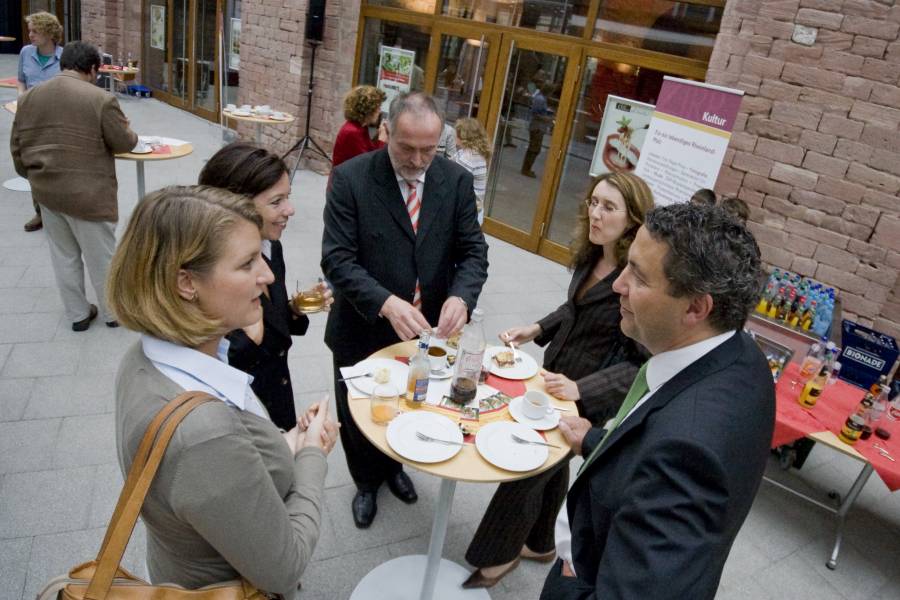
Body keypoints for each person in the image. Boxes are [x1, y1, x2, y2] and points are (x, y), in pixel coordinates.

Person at [108, 185, 339, 599]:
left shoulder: (142, 358)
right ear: (186, 282)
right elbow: (283, 569)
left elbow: (212, 479)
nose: (267, 275)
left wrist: (287, 440)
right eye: (248, 262)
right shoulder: (205, 435)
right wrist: (311, 455)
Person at [542, 203, 775, 599]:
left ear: (696, 308)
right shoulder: (738, 353)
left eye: (639, 277)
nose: (618, 284)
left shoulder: (687, 452)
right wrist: (596, 442)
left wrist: (567, 580)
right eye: (627, 264)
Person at [462, 172, 652, 589]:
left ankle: (497, 557)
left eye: (608, 207)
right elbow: (575, 310)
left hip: (588, 395)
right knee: (554, 461)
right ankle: (543, 541)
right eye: (593, 202)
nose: (595, 213)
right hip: (556, 377)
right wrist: (535, 328)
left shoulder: (634, 278)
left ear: (633, 220)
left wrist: (583, 389)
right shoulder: (592, 254)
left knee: (528, 461)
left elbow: (642, 364)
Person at [322, 91, 489, 528]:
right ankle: (364, 482)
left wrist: (461, 297)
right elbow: (337, 259)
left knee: (409, 404)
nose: (418, 161)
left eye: (428, 150)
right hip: (362, 326)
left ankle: (395, 467)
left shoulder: (453, 181)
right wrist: (385, 302)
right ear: (386, 131)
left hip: (425, 330)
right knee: (359, 415)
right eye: (406, 148)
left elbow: (474, 252)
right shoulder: (350, 178)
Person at [198, 142, 333, 431]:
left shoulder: (272, 247)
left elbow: (274, 322)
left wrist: (294, 309)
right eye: (276, 202)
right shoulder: (207, 276)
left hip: (276, 398)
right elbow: (216, 362)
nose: (290, 210)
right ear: (235, 204)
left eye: (288, 197)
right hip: (242, 419)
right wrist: (252, 334)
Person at [11, 41, 137, 331]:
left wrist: (34, 178)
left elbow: (17, 148)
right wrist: (126, 127)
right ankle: (111, 313)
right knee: (102, 257)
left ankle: (78, 315)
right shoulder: (101, 99)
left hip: (48, 192)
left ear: (62, 63)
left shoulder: (29, 98)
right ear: (93, 69)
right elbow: (124, 142)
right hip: (90, 194)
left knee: (63, 256)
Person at [17, 11, 64, 233]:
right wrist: (21, 98)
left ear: (49, 32)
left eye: (35, 31)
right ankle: (40, 212)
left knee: (56, 166)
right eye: (30, 30)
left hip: (57, 121)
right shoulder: (26, 52)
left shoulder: (65, 58)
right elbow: (21, 81)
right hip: (30, 119)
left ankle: (60, 212)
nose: (30, 35)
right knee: (34, 167)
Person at [332, 85, 388, 168]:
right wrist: (382, 140)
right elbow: (371, 164)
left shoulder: (360, 127)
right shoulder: (353, 132)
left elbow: (370, 150)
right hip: (345, 179)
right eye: (378, 107)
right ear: (368, 110)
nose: (379, 112)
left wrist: (379, 134)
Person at [452, 117, 491, 225]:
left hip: (466, 213)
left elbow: (454, 181)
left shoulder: (467, 158)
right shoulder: (477, 153)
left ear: (463, 136)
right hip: (476, 209)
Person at [521, 82, 554, 178]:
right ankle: (526, 169)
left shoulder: (541, 98)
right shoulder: (540, 99)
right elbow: (536, 114)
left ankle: (526, 168)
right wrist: (547, 119)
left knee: (534, 148)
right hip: (537, 127)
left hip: (537, 126)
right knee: (534, 149)